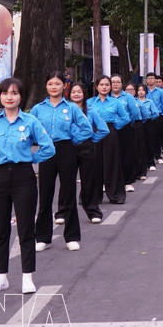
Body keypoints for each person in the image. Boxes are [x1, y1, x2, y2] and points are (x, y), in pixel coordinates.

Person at [0, 77, 55, 294]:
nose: (10, 97)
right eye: (5, 93)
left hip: (23, 178)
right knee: (0, 231)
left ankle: (27, 277)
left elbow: (48, 147)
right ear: (0, 96)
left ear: (21, 96)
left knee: (26, 229)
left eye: (15, 93)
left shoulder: (30, 122)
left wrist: (31, 159)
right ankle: (1, 278)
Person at [30, 71, 92, 252]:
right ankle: (43, 237)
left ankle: (71, 236)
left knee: (69, 193)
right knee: (45, 194)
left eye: (57, 84)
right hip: (46, 152)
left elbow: (86, 129)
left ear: (65, 86)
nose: (54, 87)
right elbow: (28, 129)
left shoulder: (72, 108)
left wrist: (72, 140)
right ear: (46, 86)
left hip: (66, 151)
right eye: (50, 84)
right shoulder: (38, 109)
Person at [62, 82, 108, 224]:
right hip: (67, 148)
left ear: (84, 94)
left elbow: (103, 129)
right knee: (66, 182)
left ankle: (93, 211)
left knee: (89, 181)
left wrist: (91, 139)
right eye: (73, 92)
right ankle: (62, 212)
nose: (76, 94)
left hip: (86, 148)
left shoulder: (91, 111)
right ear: (69, 94)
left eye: (79, 92)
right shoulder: (64, 110)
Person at [88, 75, 130, 204]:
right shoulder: (89, 102)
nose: (104, 87)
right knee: (93, 164)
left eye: (107, 85)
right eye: (102, 85)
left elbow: (126, 118)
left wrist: (113, 127)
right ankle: (92, 195)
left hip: (110, 133)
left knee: (112, 163)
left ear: (110, 87)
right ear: (96, 87)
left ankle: (116, 194)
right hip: (94, 133)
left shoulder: (115, 102)